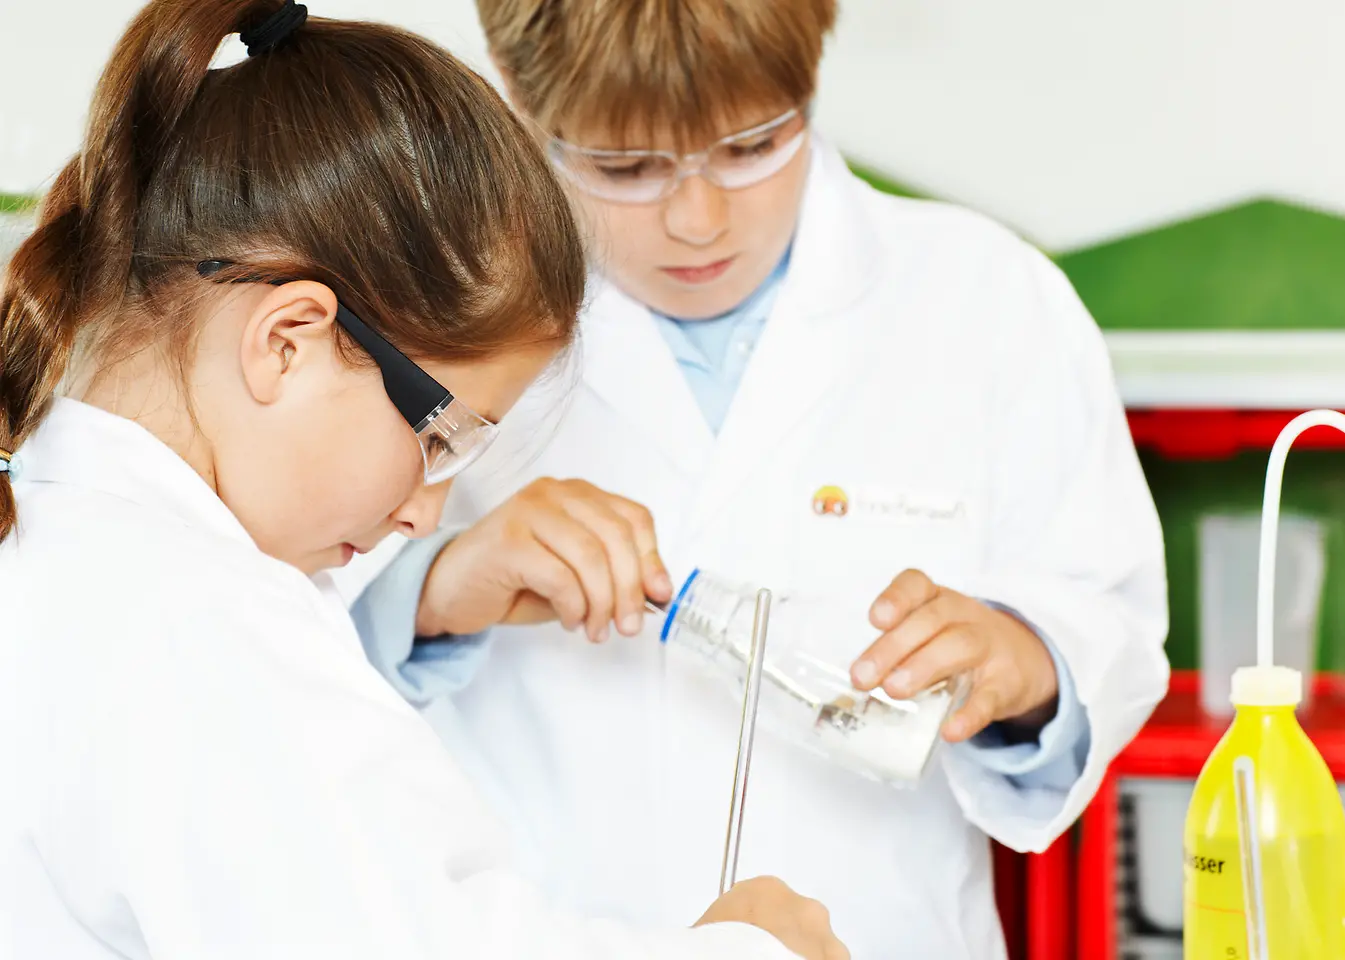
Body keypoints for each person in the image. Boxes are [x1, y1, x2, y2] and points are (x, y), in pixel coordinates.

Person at [0, 2, 849, 957]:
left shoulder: (56, 542)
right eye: (443, 437)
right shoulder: (203, 627)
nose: (421, 511)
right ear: (288, 341)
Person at [348, 0, 1170, 957]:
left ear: (807, 83)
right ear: (524, 108)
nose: (696, 219)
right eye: (627, 167)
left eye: (751, 146)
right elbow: (273, 628)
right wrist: (433, 590)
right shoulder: (426, 312)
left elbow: (1108, 620)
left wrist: (1028, 663)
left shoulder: (985, 298)